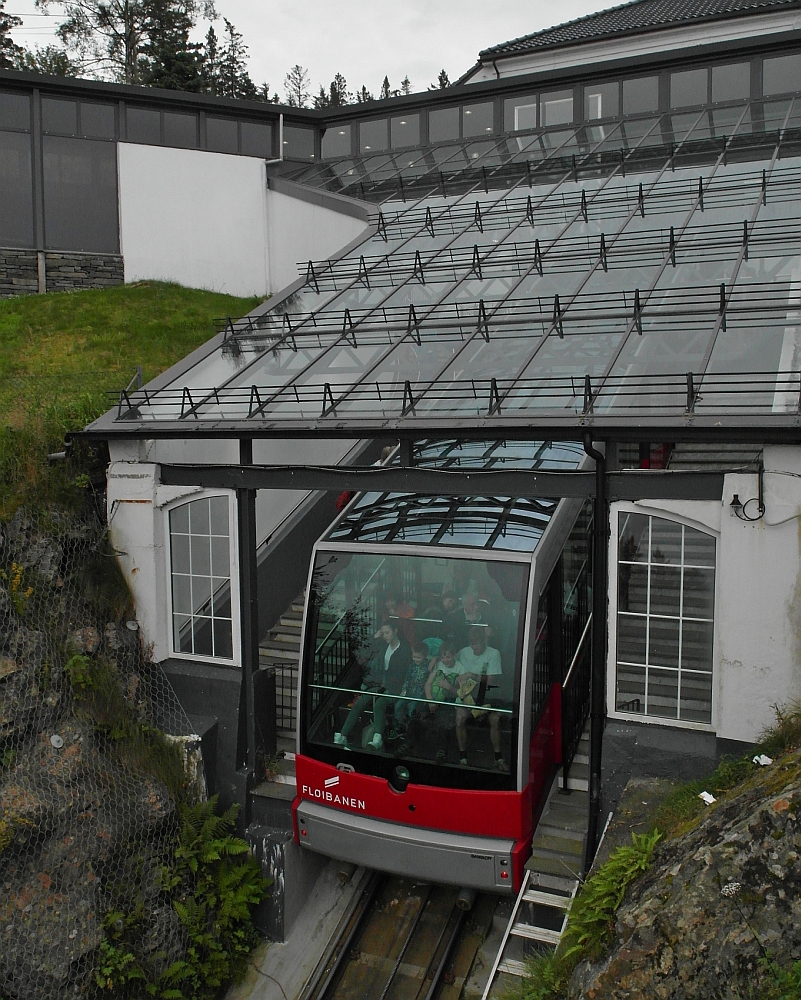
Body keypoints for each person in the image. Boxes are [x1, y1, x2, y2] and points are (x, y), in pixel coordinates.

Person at [335, 622, 411, 752]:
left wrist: (385, 687)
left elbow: (401, 673)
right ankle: (342, 735)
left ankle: (377, 738)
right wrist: (375, 636)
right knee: (359, 703)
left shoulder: (404, 649)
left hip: (395, 688)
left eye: (387, 632)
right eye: (383, 633)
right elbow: (365, 652)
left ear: (396, 630)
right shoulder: (382, 645)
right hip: (378, 685)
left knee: (379, 704)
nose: (385, 636)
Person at [454, 626, 506, 771]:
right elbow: (448, 659)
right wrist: (435, 659)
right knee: (459, 719)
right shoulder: (464, 652)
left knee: (495, 719)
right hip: (467, 696)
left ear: (484, 641)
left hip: (487, 696)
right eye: (472, 644)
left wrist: (472, 675)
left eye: (477, 643)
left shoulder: (494, 653)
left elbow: (492, 681)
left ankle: (498, 757)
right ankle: (462, 756)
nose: (474, 647)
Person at [396, 642, 430, 732]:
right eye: (414, 657)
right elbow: (407, 679)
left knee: (412, 708)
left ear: (425, 656)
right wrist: (404, 690)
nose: (416, 659)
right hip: (409, 691)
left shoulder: (428, 667)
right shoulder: (411, 666)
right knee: (398, 705)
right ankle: (399, 727)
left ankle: (411, 730)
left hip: (420, 694)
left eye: (418, 657)